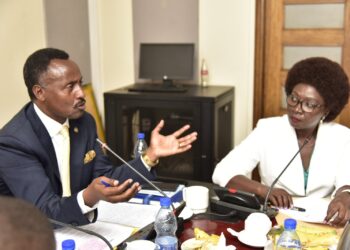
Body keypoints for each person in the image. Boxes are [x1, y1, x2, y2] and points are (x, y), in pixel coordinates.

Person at [0, 48, 197, 226]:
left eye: (80, 83)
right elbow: (43, 212)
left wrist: (150, 156)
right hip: (30, 233)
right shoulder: (14, 142)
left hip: (78, 224)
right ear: (40, 92)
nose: (81, 93)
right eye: (70, 86)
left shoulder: (84, 123)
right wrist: (87, 197)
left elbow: (107, 180)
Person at [212, 57, 350, 227]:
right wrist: (264, 190)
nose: (297, 108)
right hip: (275, 219)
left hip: (324, 222)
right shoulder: (268, 129)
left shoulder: (342, 136)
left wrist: (345, 195)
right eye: (294, 98)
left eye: (309, 104)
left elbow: (346, 180)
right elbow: (222, 171)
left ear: (326, 110)